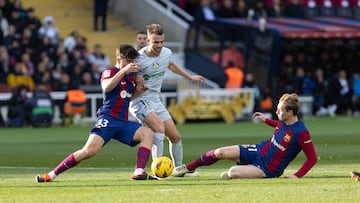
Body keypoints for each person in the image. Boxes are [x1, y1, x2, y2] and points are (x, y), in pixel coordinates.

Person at [36, 44, 158, 182]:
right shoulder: (110, 72)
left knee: (148, 133)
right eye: (128, 61)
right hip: (108, 119)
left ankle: (139, 170)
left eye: (132, 61)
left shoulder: (131, 77)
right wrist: (123, 71)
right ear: (119, 58)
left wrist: (139, 91)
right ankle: (51, 175)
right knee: (88, 152)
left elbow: (126, 98)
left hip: (122, 122)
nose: (131, 64)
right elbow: (106, 87)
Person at [172, 93, 318, 179]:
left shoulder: (301, 132)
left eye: (280, 110)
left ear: (290, 113)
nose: (277, 112)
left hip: (268, 169)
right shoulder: (283, 121)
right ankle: (189, 168)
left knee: (232, 172)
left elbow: (312, 158)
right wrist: (266, 120)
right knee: (220, 152)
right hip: (259, 150)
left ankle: (245, 170)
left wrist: (296, 176)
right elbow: (278, 125)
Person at [130, 24, 205, 174]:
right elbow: (125, 79)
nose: (159, 45)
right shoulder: (138, 59)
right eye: (155, 42)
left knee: (175, 137)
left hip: (155, 100)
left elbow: (171, 65)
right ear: (147, 41)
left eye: (162, 41)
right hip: (140, 101)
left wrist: (189, 77)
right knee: (159, 129)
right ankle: (158, 170)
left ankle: (178, 169)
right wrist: (135, 87)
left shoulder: (166, 53)